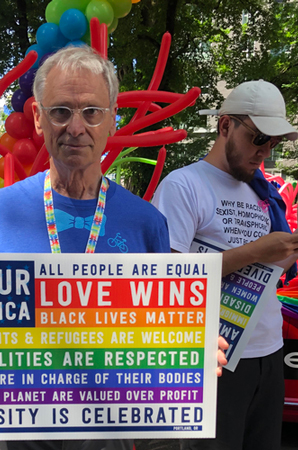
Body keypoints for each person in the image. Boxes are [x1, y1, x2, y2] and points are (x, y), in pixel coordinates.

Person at [0, 45, 227, 450]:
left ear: (111, 121)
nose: (76, 127)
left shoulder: (146, 223)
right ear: (37, 118)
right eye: (60, 111)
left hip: (114, 433)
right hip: (17, 431)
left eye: (91, 112)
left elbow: (164, 331)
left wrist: (193, 348)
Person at [152, 79, 298, 450]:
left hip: (269, 350)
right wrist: (254, 251)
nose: (264, 151)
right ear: (225, 126)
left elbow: (273, 268)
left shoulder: (261, 189)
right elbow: (168, 281)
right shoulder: (183, 186)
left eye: (273, 142)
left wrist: (284, 250)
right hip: (211, 359)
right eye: (257, 138)